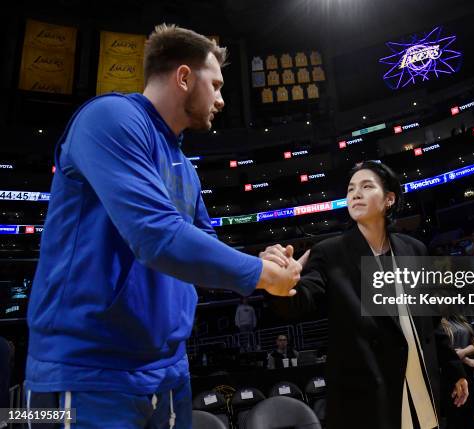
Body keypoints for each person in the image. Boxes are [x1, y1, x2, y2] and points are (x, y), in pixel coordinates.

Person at [25, 24, 301, 429]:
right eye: (217, 85)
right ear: (184, 77)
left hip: (169, 370)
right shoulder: (110, 118)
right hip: (88, 375)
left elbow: (202, 241)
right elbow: (156, 235)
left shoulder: (182, 165)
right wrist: (263, 276)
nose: (222, 100)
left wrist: (259, 260)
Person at [266, 161, 468, 429]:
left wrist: (453, 367)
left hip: (419, 379)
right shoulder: (330, 252)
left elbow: (429, 320)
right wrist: (278, 285)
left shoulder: (414, 249)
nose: (355, 194)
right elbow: (299, 303)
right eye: (351, 189)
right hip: (367, 391)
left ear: (389, 199)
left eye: (366, 186)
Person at [440, 315, 474, 429]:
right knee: (455, 416)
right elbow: (443, 351)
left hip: (470, 372)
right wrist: (467, 360)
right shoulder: (437, 322)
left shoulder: (460, 318)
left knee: (471, 414)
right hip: (451, 372)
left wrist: (464, 352)